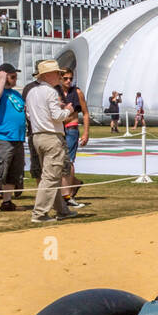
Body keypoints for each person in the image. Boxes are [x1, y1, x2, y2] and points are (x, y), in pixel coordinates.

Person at [25, 59, 74, 222]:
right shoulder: (51, 92)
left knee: (51, 175)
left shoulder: (32, 92)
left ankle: (62, 210)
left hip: (37, 136)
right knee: (51, 176)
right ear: (47, 75)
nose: (60, 76)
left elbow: (29, 115)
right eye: (57, 73)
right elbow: (57, 116)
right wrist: (67, 111)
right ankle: (39, 213)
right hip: (51, 136)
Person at [0, 62, 26, 214]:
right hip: (3, 137)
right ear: (3, 75)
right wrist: (1, 80)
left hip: (18, 138)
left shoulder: (15, 94)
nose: (15, 80)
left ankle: (7, 201)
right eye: (12, 76)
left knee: (14, 172)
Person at [59, 66, 89, 211]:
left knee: (69, 162)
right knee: (59, 162)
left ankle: (68, 195)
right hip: (59, 129)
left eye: (71, 78)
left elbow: (85, 113)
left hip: (71, 128)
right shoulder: (55, 92)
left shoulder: (77, 92)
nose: (68, 81)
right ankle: (74, 183)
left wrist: (86, 133)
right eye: (65, 78)